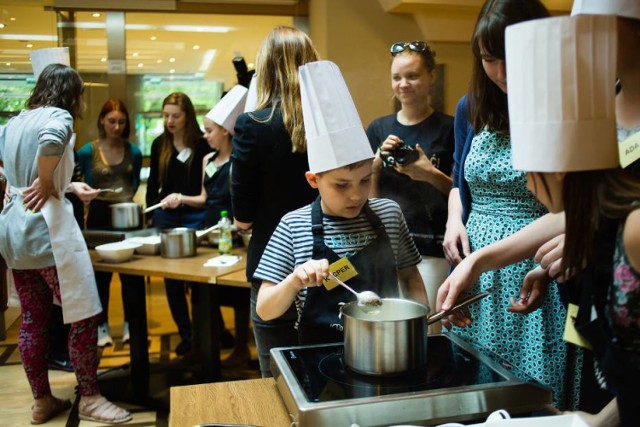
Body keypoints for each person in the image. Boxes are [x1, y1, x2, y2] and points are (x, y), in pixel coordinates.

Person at [440, 0, 582, 411]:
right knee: (477, 393)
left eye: (509, 59)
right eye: (488, 59)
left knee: (533, 397)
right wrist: (456, 222)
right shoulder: (471, 108)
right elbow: (458, 180)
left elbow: (573, 208)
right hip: (480, 273)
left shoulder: (565, 106)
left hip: (537, 265)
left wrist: (479, 260)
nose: (500, 73)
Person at [505, 13, 638, 425]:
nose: (529, 187)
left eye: (528, 173)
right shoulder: (600, 225)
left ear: (558, 169)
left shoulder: (635, 230)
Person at [255, 60, 428, 344]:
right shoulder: (293, 225)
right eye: (341, 185)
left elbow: (409, 277)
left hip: (388, 347)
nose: (356, 195)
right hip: (318, 357)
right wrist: (295, 281)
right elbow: (265, 310)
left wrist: (422, 326)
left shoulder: (388, 214)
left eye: (363, 180)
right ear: (313, 180)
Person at [0, 62, 131, 424]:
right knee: (84, 314)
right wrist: (46, 182)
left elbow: (10, 169)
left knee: (33, 319)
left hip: (13, 234)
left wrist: (65, 185)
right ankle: (89, 396)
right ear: (71, 93)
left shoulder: (14, 122)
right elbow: (52, 141)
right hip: (46, 233)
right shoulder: (59, 116)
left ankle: (42, 400)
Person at [230, 26, 319, 377]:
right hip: (334, 265)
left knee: (278, 376)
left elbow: (243, 218)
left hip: (274, 268)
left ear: (264, 69)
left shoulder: (252, 125)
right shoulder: (331, 122)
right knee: (329, 364)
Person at [367, 41, 454, 323]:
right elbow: (365, 198)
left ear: (431, 77)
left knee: (426, 327)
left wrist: (428, 173)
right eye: (396, 77)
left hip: (433, 248)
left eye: (412, 76)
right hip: (385, 246)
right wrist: (377, 163)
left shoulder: (450, 127)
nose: (403, 84)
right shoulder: (378, 128)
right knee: (383, 324)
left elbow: (463, 194)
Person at [180, 85, 252, 367]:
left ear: (225, 131)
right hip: (209, 229)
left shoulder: (239, 161)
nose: (205, 136)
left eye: (209, 130)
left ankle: (241, 348)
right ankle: (201, 345)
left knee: (235, 293)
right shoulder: (206, 159)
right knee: (199, 289)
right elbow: (203, 197)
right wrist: (180, 199)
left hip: (232, 230)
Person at [145, 92, 212, 356]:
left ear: (187, 116)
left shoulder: (202, 144)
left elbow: (207, 187)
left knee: (198, 279)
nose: (170, 121)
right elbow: (153, 183)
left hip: (195, 213)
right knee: (172, 280)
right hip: (166, 216)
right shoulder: (159, 143)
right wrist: (150, 213)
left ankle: (206, 332)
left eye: (175, 116)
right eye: (166, 116)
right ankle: (186, 334)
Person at [77, 98, 143, 347]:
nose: (116, 126)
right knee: (100, 277)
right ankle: (101, 325)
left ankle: (132, 324)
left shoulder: (133, 151)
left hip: (126, 218)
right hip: (98, 217)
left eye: (121, 122)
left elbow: (135, 182)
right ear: (102, 121)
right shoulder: (86, 152)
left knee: (132, 275)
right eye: (112, 121)